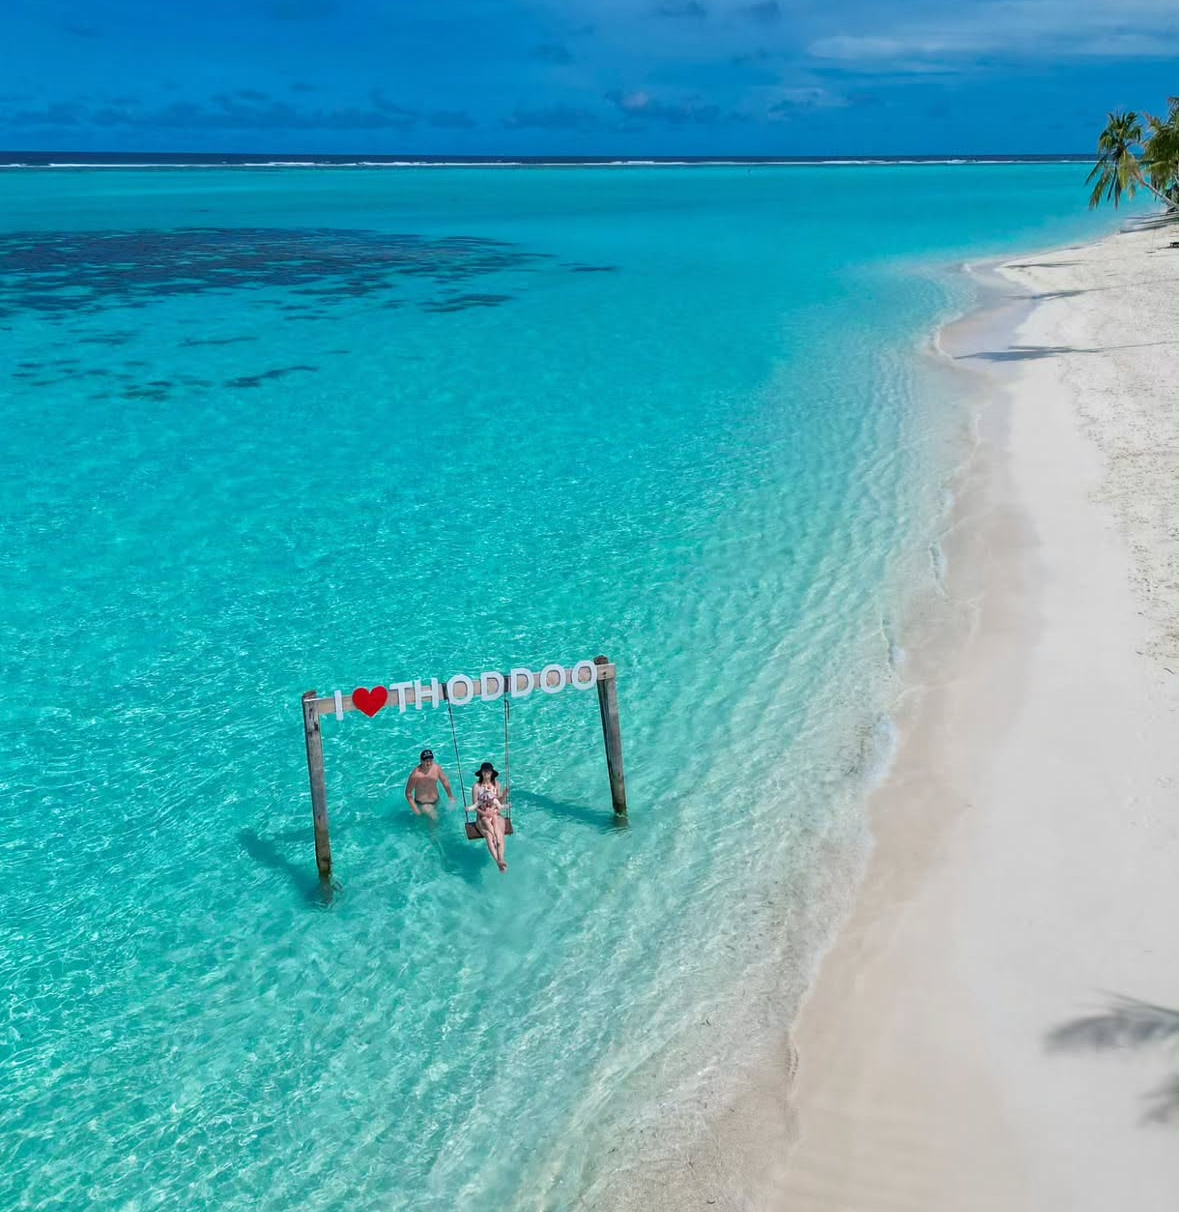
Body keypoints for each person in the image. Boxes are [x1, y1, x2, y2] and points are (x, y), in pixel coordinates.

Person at [472, 761, 508, 873]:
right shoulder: (476, 787)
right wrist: (484, 814)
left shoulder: (497, 785)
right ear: (481, 773)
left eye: (488, 771)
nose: (486, 773)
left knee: (500, 833)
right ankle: (498, 862)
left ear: (492, 772)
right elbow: (475, 806)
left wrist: (504, 794)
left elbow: (500, 802)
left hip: (495, 813)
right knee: (489, 835)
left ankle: (501, 858)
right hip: (482, 816)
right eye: (484, 771)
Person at [404, 749, 455, 822]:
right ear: (421, 761)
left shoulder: (437, 768)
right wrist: (415, 808)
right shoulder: (416, 775)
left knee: (439, 819)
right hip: (423, 804)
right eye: (426, 761)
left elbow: (445, 781)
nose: (429, 763)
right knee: (435, 819)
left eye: (431, 760)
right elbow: (408, 793)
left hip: (436, 800)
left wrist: (450, 797)